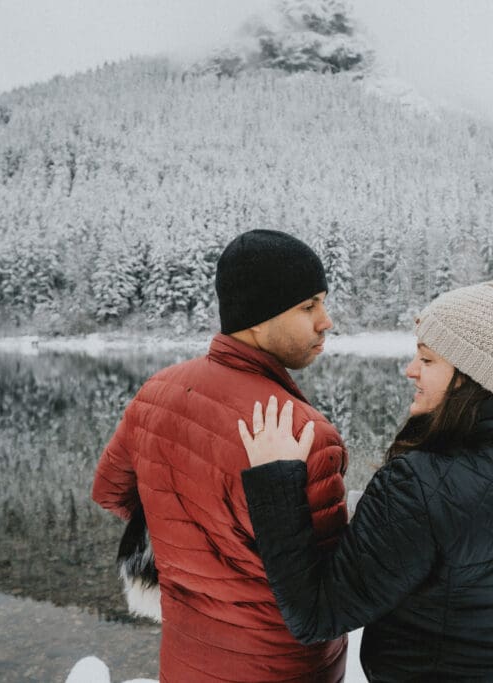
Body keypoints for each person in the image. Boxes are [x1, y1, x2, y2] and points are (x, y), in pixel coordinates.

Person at [239, 273, 493, 682]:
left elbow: (316, 615)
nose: (410, 371)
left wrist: (276, 482)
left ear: (472, 377)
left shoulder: (416, 486)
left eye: (427, 360)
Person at [92, 229, 349, 683]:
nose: (325, 321)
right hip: (281, 669)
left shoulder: (156, 392)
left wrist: (185, 536)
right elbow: (325, 591)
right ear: (258, 317)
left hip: (186, 661)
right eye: (308, 306)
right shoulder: (304, 434)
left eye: (323, 304)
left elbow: (110, 491)